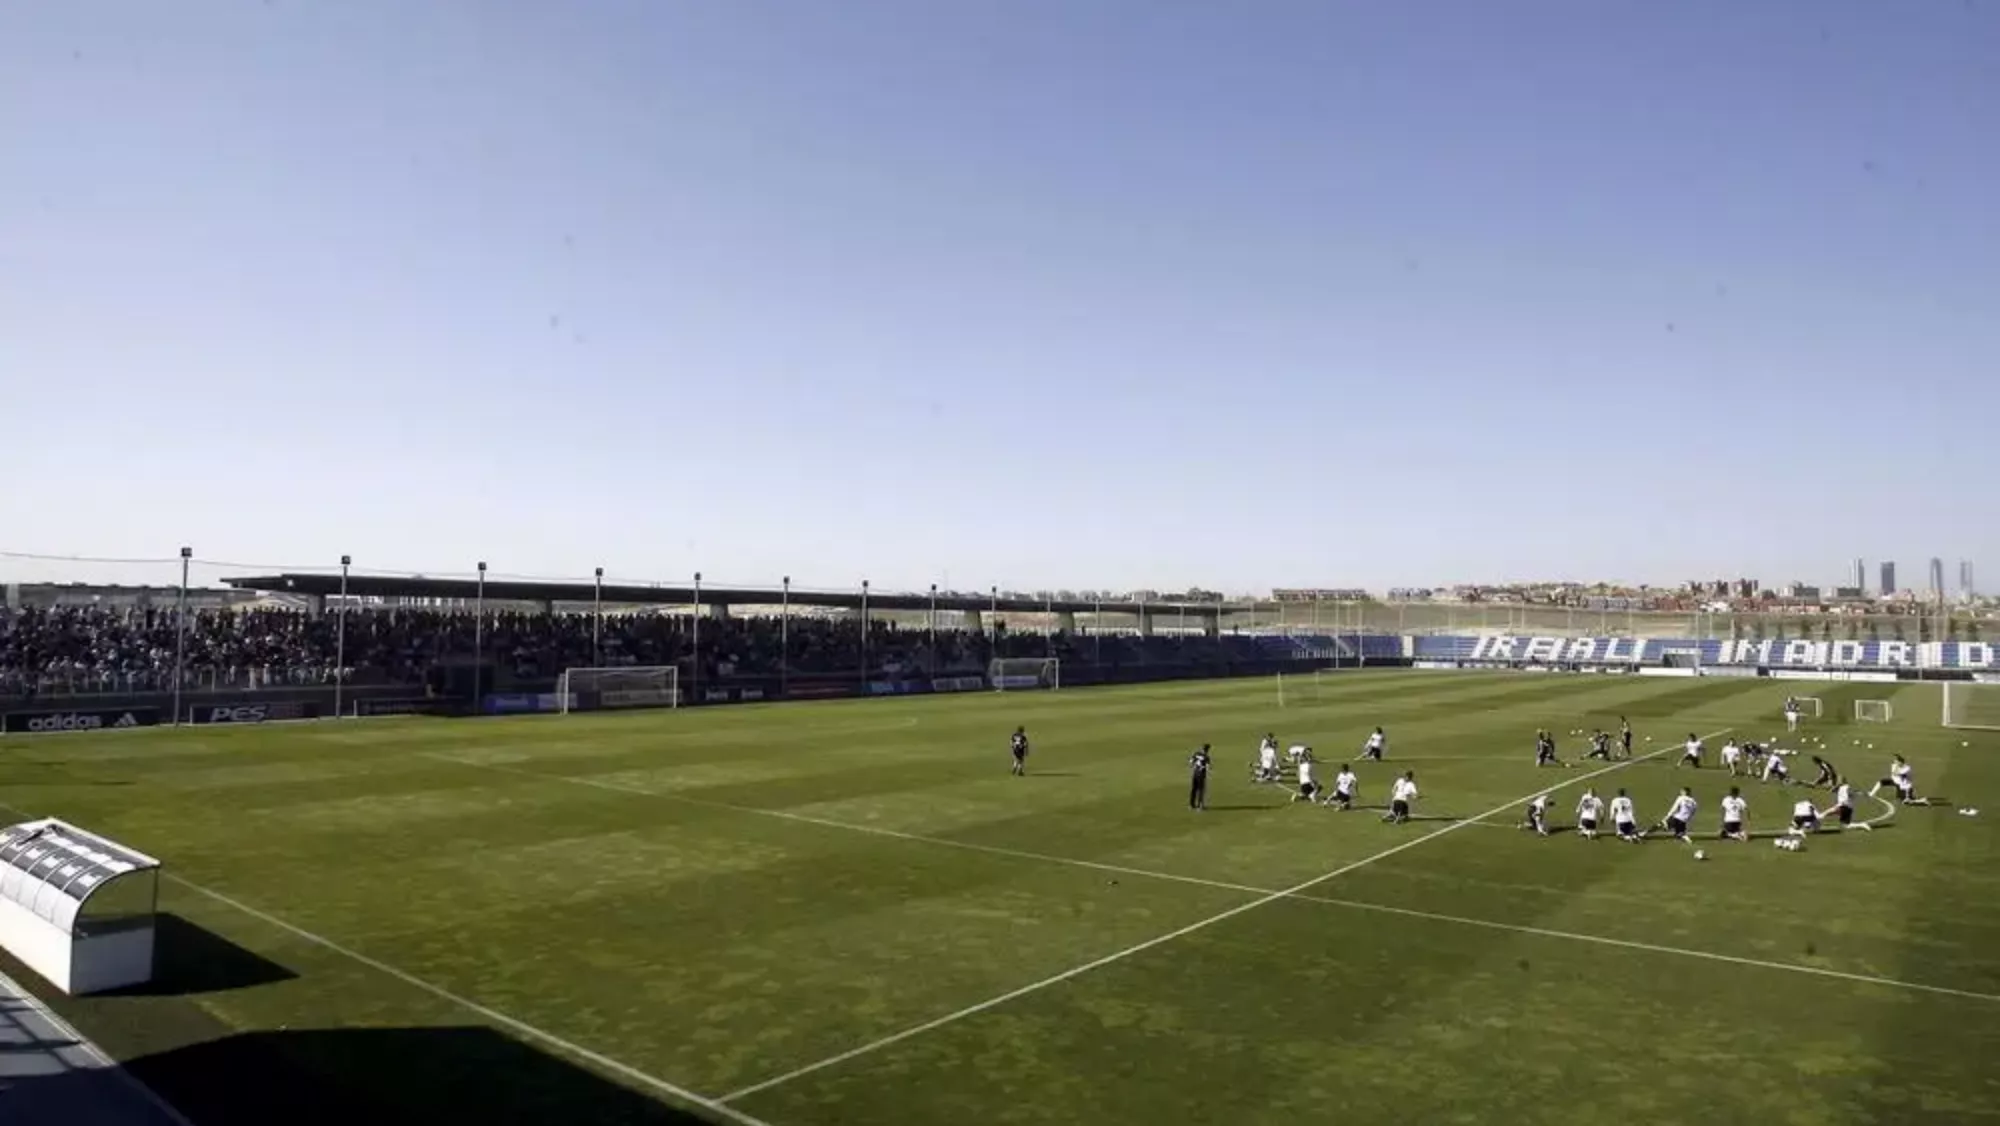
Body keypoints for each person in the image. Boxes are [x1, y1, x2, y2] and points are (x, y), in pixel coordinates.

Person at [1188, 744, 1212, 811]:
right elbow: (1208, 767)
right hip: (1201, 775)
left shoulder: (1196, 754)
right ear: (1207, 750)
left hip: (1195, 774)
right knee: (1201, 790)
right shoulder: (1206, 757)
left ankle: (1191, 805)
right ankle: (1200, 806)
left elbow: (1190, 762)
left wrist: (1193, 768)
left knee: (1194, 789)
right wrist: (1208, 771)